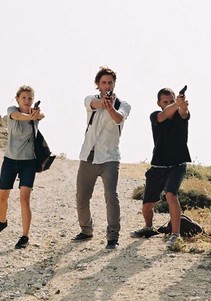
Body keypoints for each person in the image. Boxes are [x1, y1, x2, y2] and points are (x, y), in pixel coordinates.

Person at [72, 67, 131, 249]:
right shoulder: (90, 99)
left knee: (111, 196)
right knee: (82, 197)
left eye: (110, 82)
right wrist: (103, 103)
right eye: (103, 82)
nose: (107, 86)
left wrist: (111, 107)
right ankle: (86, 230)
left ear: (114, 84)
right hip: (88, 156)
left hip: (110, 157)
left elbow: (119, 119)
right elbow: (93, 105)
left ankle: (112, 237)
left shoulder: (123, 104)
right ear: (98, 84)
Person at [131, 87, 191, 250]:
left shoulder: (180, 115)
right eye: (165, 102)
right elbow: (163, 115)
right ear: (159, 103)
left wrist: (182, 106)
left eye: (171, 101)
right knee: (147, 205)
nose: (169, 104)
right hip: (158, 165)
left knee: (171, 194)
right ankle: (149, 228)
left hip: (177, 164)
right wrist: (176, 104)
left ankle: (175, 234)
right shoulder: (155, 116)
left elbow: (184, 112)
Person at [0, 85, 45, 249]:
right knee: (2, 197)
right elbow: (18, 116)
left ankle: (25, 236)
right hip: (10, 160)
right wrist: (32, 116)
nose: (27, 101)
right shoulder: (12, 110)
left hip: (28, 161)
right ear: (17, 99)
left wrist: (38, 114)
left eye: (30, 98)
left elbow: (42, 115)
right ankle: (2, 222)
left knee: (24, 199)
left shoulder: (36, 115)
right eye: (24, 98)